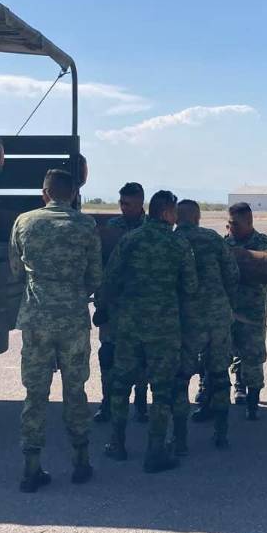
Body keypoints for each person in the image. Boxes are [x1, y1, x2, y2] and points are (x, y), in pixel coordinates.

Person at [9, 169, 102, 492]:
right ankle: (81, 461)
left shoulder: (24, 222)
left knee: (35, 393)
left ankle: (31, 468)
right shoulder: (86, 225)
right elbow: (95, 277)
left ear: (44, 192)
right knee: (75, 391)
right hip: (73, 320)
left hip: (36, 319)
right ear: (73, 194)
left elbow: (15, 269)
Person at [101, 190, 198, 472]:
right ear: (167, 213)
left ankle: (117, 444)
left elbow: (110, 279)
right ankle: (155, 450)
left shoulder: (130, 240)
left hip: (129, 325)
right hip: (164, 328)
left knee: (121, 385)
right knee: (162, 389)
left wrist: (115, 310)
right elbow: (190, 287)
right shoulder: (178, 244)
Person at [173, 200, 238, 451]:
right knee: (220, 373)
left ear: (177, 217)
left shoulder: (173, 240)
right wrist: (227, 305)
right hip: (218, 315)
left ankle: (180, 439)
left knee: (181, 376)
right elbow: (232, 274)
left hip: (188, 318)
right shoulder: (212, 238)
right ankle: (221, 433)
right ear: (198, 217)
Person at [93, 182, 150, 424]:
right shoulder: (112, 227)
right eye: (121, 203)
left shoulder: (153, 229)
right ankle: (107, 402)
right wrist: (101, 303)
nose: (123, 208)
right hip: (113, 304)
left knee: (142, 355)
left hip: (143, 307)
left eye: (128, 204)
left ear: (140, 204)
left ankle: (140, 401)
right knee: (108, 354)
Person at [224, 202, 267, 420]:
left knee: (253, 356)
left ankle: (253, 403)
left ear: (249, 222)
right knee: (222, 354)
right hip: (227, 310)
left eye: (234, 223)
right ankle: (230, 391)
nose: (230, 228)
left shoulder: (264, 243)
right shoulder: (224, 242)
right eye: (228, 223)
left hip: (253, 312)